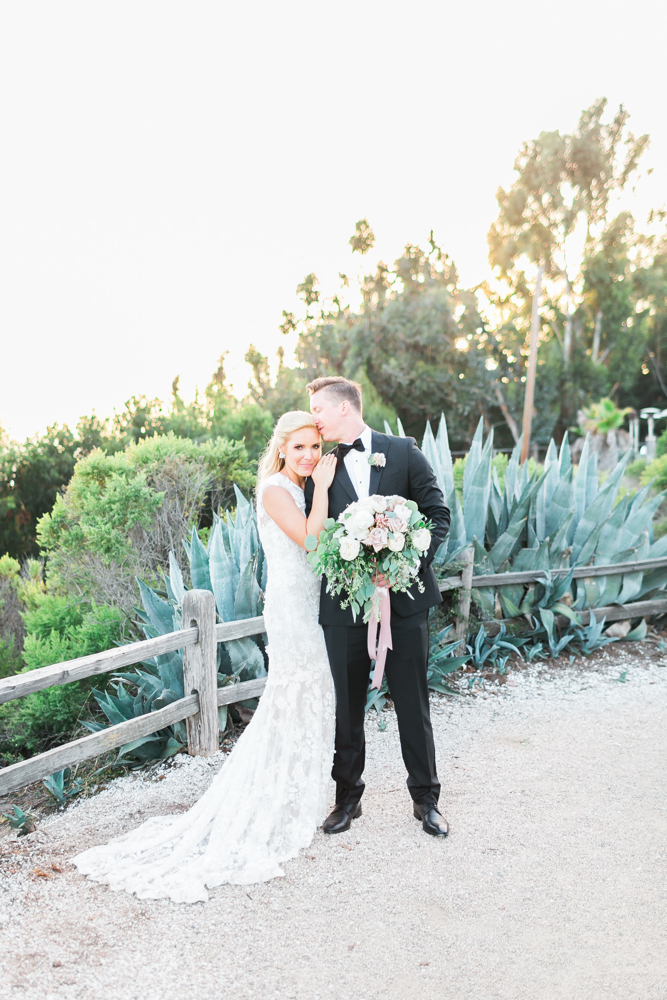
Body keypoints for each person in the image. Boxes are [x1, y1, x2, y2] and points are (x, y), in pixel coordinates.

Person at [72, 411, 338, 903]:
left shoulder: (301, 485)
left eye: (315, 449)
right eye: (299, 447)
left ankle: (300, 793)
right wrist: (321, 485)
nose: (308, 456)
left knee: (313, 689)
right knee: (296, 689)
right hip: (291, 610)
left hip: (309, 602)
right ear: (281, 448)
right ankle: (277, 801)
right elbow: (313, 541)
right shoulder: (277, 490)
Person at [305, 376, 451, 838]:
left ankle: (426, 801)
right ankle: (347, 801)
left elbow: (437, 515)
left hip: (404, 604)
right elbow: (315, 535)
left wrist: (405, 564)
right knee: (347, 710)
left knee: (413, 703)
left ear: (344, 408)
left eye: (318, 411)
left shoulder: (403, 451)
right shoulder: (319, 467)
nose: (315, 420)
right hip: (343, 606)